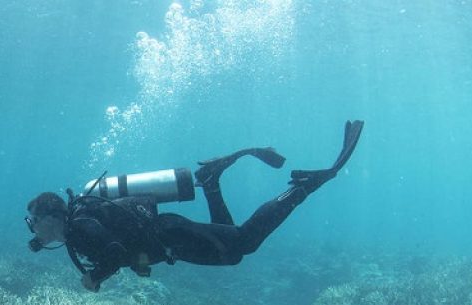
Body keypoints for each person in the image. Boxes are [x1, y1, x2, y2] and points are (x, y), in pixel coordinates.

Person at [26, 120, 364, 292]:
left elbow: (113, 252)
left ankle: (300, 189)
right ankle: (211, 182)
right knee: (232, 249)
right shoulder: (78, 226)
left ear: (52, 217)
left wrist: (94, 278)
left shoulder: (80, 227)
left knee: (242, 244)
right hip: (167, 238)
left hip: (170, 235)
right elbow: (123, 246)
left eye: (34, 222)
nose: (33, 229)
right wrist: (137, 263)